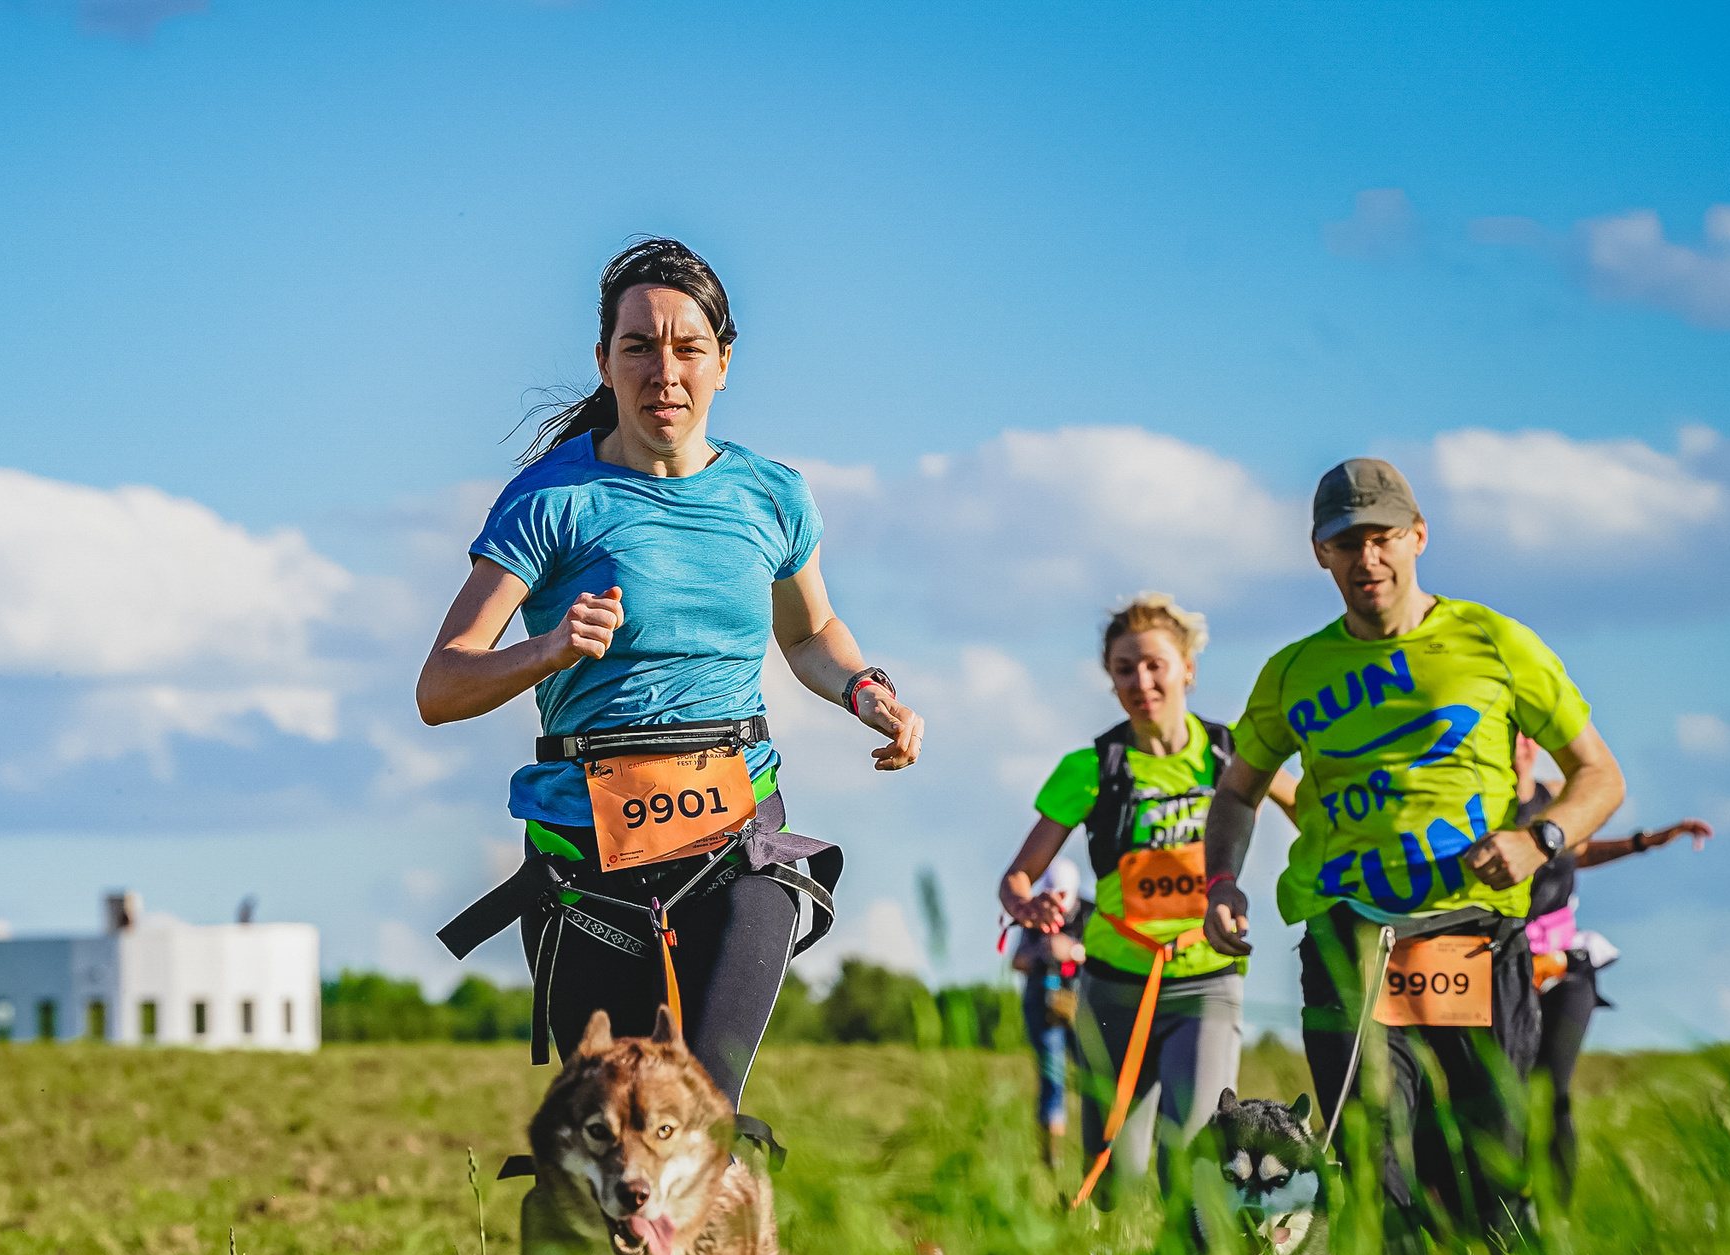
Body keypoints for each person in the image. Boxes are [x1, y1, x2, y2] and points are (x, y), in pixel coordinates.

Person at [422, 238, 923, 1106]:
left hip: (736, 843)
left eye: (689, 347)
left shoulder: (772, 495)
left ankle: (729, 1198)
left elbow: (811, 633)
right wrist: (549, 648)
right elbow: (441, 686)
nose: (665, 372)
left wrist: (864, 690)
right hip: (585, 860)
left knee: (700, 1111)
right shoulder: (549, 500)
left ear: (723, 362)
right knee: (616, 1131)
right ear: (604, 362)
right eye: (639, 347)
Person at [1202, 458, 1627, 1255]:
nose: (1367, 558)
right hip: (1349, 938)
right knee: (1373, 1165)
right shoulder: (1293, 671)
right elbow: (1236, 793)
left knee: (1489, 1167)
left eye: (1383, 537)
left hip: (1474, 938)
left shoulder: (1494, 642)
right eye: (1346, 542)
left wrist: (1539, 839)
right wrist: (1220, 881)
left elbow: (1599, 775)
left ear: (1418, 536)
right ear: (1321, 553)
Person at [998, 594, 1299, 1201]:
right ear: (1110, 680)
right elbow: (1019, 877)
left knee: (1190, 1154)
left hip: (1207, 980)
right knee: (1116, 1173)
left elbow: (1315, 817)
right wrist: (1026, 905)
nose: (1141, 682)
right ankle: (1109, 1252)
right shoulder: (1091, 767)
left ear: (1188, 668)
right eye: (1125, 669)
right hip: (1115, 984)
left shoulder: (1233, 754)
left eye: (1155, 665)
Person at [1514, 732, 1712, 1200]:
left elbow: (1579, 852)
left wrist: (1645, 842)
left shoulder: (1557, 796)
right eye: (1512, 731)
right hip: (1505, 965)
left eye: (1528, 732)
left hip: (1566, 964)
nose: (1522, 742)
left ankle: (1554, 1216)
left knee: (1553, 1089)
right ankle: (1498, 1206)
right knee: (1506, 1088)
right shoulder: (1484, 805)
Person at [1006, 857, 1089, 1167]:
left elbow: (1109, 955)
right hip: (1043, 1004)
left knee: (1097, 1075)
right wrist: (1042, 952)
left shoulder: (1092, 914)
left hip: (1085, 1006)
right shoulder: (1035, 914)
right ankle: (1051, 1159)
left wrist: (1073, 951)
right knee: (1053, 1076)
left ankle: (1102, 1153)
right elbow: (1017, 961)